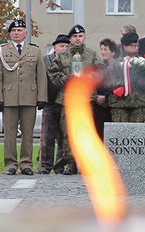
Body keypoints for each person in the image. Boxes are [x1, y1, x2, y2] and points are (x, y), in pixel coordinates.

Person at [0, 20, 47, 175]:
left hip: (29, 96)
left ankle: (26, 163)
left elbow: (41, 76)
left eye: (19, 30)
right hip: (8, 97)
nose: (16, 33)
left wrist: (42, 97)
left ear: (26, 33)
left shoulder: (34, 51)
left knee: (28, 132)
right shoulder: (2, 50)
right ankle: (10, 164)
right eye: (14, 30)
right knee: (9, 133)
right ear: (10, 33)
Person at [48, 24, 103, 175]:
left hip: (86, 99)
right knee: (68, 132)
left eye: (80, 36)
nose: (78, 39)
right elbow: (52, 73)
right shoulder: (62, 55)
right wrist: (67, 79)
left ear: (84, 37)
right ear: (70, 38)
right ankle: (71, 162)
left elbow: (100, 72)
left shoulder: (92, 55)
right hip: (68, 99)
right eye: (75, 36)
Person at [39, 34, 70, 175]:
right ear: (54, 47)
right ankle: (45, 165)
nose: (64, 48)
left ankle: (59, 166)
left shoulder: (71, 63)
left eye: (66, 46)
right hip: (50, 102)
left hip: (66, 103)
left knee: (64, 137)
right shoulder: (45, 61)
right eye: (61, 46)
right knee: (47, 137)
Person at [107, 32, 145, 122]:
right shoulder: (115, 64)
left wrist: (138, 75)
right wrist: (121, 85)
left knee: (137, 133)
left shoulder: (143, 63)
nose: (135, 48)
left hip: (138, 102)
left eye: (137, 45)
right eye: (132, 45)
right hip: (119, 104)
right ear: (124, 47)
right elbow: (107, 82)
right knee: (119, 132)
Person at [94, 38, 114, 139]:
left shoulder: (117, 66)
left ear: (113, 52)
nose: (102, 52)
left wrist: (106, 98)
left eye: (105, 49)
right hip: (99, 107)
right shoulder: (98, 66)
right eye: (101, 49)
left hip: (111, 105)